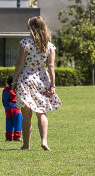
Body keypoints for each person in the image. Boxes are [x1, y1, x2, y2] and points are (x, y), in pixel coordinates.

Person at [14, 16, 61, 150]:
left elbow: (20, 63)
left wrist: (15, 79)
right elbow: (51, 66)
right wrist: (52, 84)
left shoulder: (25, 43)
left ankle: (26, 145)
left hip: (27, 78)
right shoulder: (49, 46)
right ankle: (44, 141)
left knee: (26, 114)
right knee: (41, 112)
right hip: (42, 79)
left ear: (31, 28)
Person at [2, 75, 23, 141]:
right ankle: (17, 137)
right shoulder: (15, 90)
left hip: (7, 110)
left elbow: (3, 100)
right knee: (18, 123)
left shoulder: (5, 90)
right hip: (16, 109)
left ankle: (9, 137)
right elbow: (15, 98)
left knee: (9, 124)